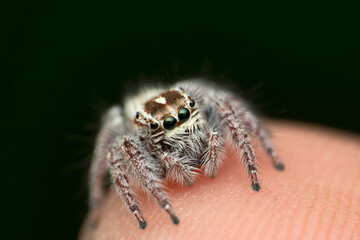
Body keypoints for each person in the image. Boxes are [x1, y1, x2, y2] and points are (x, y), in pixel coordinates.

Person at [79, 121, 360, 240]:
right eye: (165, 127)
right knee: (116, 142)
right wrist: (160, 201)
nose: (180, 132)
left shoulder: (203, 117)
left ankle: (263, 154)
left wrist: (259, 157)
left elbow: (225, 107)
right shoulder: (134, 141)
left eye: (184, 118)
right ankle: (122, 206)